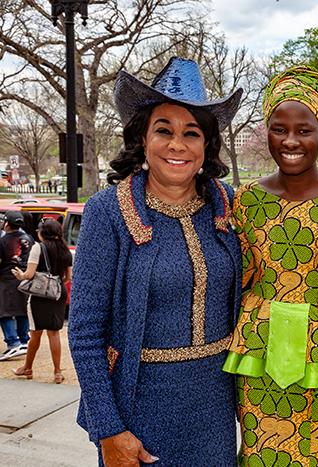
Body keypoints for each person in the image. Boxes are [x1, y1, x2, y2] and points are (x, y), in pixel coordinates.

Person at [68, 57, 244, 466]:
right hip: (139, 413)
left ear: (207, 144)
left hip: (214, 413)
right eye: (163, 130)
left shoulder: (229, 206)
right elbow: (85, 331)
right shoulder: (108, 212)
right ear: (143, 140)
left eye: (192, 133)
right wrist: (108, 429)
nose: (177, 145)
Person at [222, 65, 318, 466]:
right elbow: (237, 277)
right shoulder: (246, 200)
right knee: (260, 453)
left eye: (304, 130)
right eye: (279, 128)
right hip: (257, 355)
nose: (291, 140)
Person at [11, 218, 72, 383]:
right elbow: (68, 277)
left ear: (42, 233)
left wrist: (20, 276)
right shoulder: (65, 250)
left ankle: (28, 368)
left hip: (39, 296)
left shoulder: (38, 247)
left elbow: (29, 275)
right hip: (58, 294)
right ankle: (58, 372)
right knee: (54, 333)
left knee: (35, 333)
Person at [0, 210, 33, 361]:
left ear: (7, 223)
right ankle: (24, 341)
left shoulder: (3, 240)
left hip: (7, 279)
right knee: (22, 310)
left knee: (3, 312)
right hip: (25, 277)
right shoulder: (29, 239)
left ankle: (13, 342)